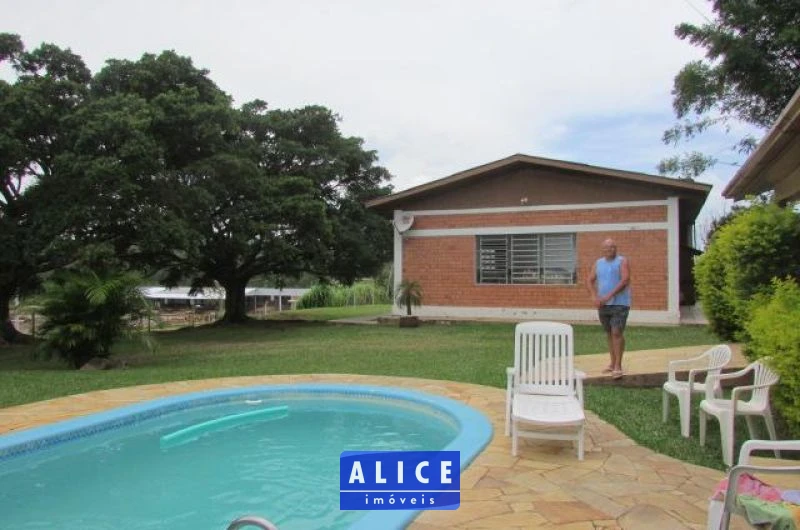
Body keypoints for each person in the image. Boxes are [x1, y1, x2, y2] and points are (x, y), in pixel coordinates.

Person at [586, 238, 631, 379]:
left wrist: (608, 296)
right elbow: (589, 280)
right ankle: (612, 363)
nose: (609, 250)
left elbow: (625, 280)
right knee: (610, 333)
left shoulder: (622, 261)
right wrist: (594, 296)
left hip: (620, 304)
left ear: (616, 248)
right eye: (606, 248)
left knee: (616, 332)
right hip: (603, 305)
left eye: (612, 247)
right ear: (602, 249)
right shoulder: (598, 263)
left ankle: (618, 366)